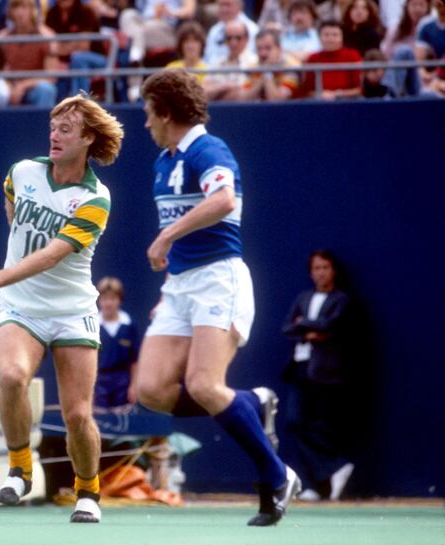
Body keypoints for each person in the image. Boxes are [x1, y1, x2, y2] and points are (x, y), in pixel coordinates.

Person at [0, 94, 124, 523]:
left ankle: (87, 492)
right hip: (21, 305)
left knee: (78, 414)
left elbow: (49, 256)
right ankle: (21, 469)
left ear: (88, 138)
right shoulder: (22, 172)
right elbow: (14, 218)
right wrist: (10, 277)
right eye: (53, 126)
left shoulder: (95, 199)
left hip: (72, 309)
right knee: (11, 377)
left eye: (66, 129)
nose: (55, 135)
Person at [136, 69, 298, 526]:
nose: (146, 123)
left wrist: (166, 235)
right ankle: (250, 402)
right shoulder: (163, 160)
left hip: (218, 281)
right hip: (181, 286)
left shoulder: (209, 148)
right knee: (150, 390)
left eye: (149, 113)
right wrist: (171, 285)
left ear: (167, 113)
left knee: (205, 386)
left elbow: (224, 200)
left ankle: (277, 475)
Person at [281, 250, 354, 502]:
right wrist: (310, 329)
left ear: (333, 271)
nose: (320, 272)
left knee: (320, 425)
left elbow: (332, 325)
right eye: (316, 268)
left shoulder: (341, 299)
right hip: (300, 366)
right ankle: (332, 468)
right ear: (311, 272)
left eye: (325, 267)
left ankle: (320, 482)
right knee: (294, 421)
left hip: (324, 370)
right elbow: (288, 327)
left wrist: (306, 324)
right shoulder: (304, 297)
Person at [0, 0, 60, 107]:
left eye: (24, 7)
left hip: (34, 87)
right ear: (10, 12)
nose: (20, 12)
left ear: (33, 10)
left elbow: (51, 77)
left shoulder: (46, 37)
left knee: (46, 90)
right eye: (16, 8)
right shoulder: (2, 38)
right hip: (9, 87)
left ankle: (42, 123)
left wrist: (23, 85)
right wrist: (9, 87)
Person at [94, 277, 139, 409]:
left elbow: (135, 360)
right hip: (98, 381)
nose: (108, 303)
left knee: (122, 419)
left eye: (112, 299)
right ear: (98, 300)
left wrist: (133, 386)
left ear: (119, 300)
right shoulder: (93, 325)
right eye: (104, 299)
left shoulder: (128, 324)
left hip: (122, 381)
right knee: (100, 420)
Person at [299, 20, 362, 99]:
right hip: (319, 103)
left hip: (348, 103)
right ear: (319, 37)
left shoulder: (352, 55)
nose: (330, 38)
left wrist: (338, 94)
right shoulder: (313, 58)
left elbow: (359, 89)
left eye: (335, 35)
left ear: (342, 37)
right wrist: (321, 94)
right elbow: (307, 90)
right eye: (326, 35)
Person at [240, 28, 301, 101]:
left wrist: (267, 72)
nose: (263, 54)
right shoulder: (253, 67)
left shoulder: (291, 66)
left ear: (279, 49)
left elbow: (276, 101)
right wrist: (263, 75)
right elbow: (244, 99)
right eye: (259, 49)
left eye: (268, 48)